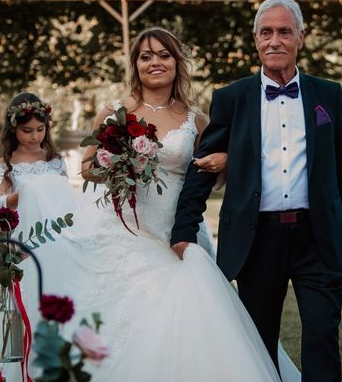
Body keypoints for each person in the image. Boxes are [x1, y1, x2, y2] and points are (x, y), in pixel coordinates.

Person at [62, 27, 299, 381]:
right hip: (125, 233)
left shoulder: (196, 119)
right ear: (134, 65)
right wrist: (119, 162)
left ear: (177, 63)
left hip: (178, 232)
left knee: (191, 315)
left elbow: (212, 178)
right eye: (146, 56)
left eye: (163, 55)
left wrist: (227, 162)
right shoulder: (115, 111)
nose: (155, 62)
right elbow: (86, 167)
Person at [172, 0, 342, 382]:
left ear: (301, 37)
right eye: (266, 32)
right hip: (257, 239)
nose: (274, 40)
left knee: (322, 336)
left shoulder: (327, 94)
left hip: (318, 236)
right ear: (256, 39)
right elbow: (202, 167)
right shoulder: (231, 98)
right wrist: (182, 229)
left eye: (284, 31)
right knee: (257, 342)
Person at [0, 92, 78, 381]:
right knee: (31, 290)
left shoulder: (54, 159)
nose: (34, 136)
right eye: (27, 130)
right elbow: (0, 204)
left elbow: (66, 197)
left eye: (40, 130)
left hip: (57, 235)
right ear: (13, 128)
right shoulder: (7, 162)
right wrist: (27, 191)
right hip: (27, 239)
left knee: (59, 286)